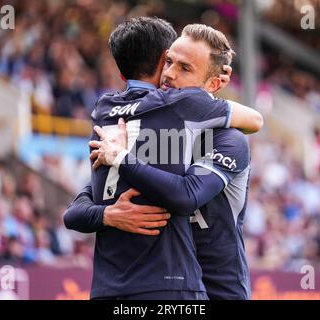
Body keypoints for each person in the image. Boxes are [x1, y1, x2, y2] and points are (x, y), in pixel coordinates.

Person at [64, 18, 261, 300]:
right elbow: (78, 206)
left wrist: (122, 158)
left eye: (184, 68)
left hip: (219, 290)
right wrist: (108, 215)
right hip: (167, 286)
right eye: (168, 61)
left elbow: (186, 194)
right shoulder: (145, 130)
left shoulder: (228, 140)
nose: (168, 74)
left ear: (216, 82)